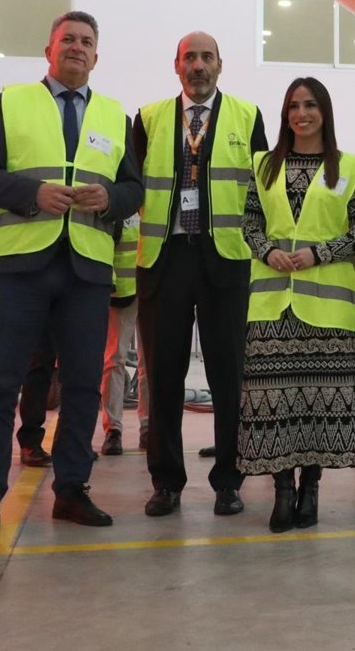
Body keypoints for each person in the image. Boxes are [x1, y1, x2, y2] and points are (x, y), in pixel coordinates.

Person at [0, 11, 143, 527]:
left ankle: (72, 490)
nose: (77, 47)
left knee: (81, 385)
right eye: (68, 40)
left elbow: (134, 189)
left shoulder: (115, 116)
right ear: (49, 50)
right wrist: (31, 193)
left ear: (96, 56)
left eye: (86, 42)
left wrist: (110, 198)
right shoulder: (11, 103)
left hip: (85, 272)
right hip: (18, 266)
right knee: (1, 381)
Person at [135, 31, 268, 518]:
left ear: (220, 65)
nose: (197, 65)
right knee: (164, 376)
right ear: (176, 66)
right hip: (165, 259)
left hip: (225, 260)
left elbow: (262, 193)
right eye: (188, 57)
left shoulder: (248, 116)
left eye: (206, 56)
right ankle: (166, 482)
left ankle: (228, 482)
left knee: (228, 376)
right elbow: (133, 185)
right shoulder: (148, 118)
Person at [239, 77, 355, 532]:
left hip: (328, 309)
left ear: (324, 112)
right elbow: (249, 223)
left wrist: (319, 253)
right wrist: (266, 250)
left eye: (310, 105)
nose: (302, 114)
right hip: (272, 304)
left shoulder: (349, 166)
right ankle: (282, 491)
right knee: (274, 402)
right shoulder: (263, 164)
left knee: (317, 401)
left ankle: (310, 489)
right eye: (294, 106)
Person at [101, 213, 141, 454]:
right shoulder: (119, 202)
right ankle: (113, 429)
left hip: (152, 289)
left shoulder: (155, 200)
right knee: (114, 359)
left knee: (152, 363)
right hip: (121, 292)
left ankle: (149, 428)